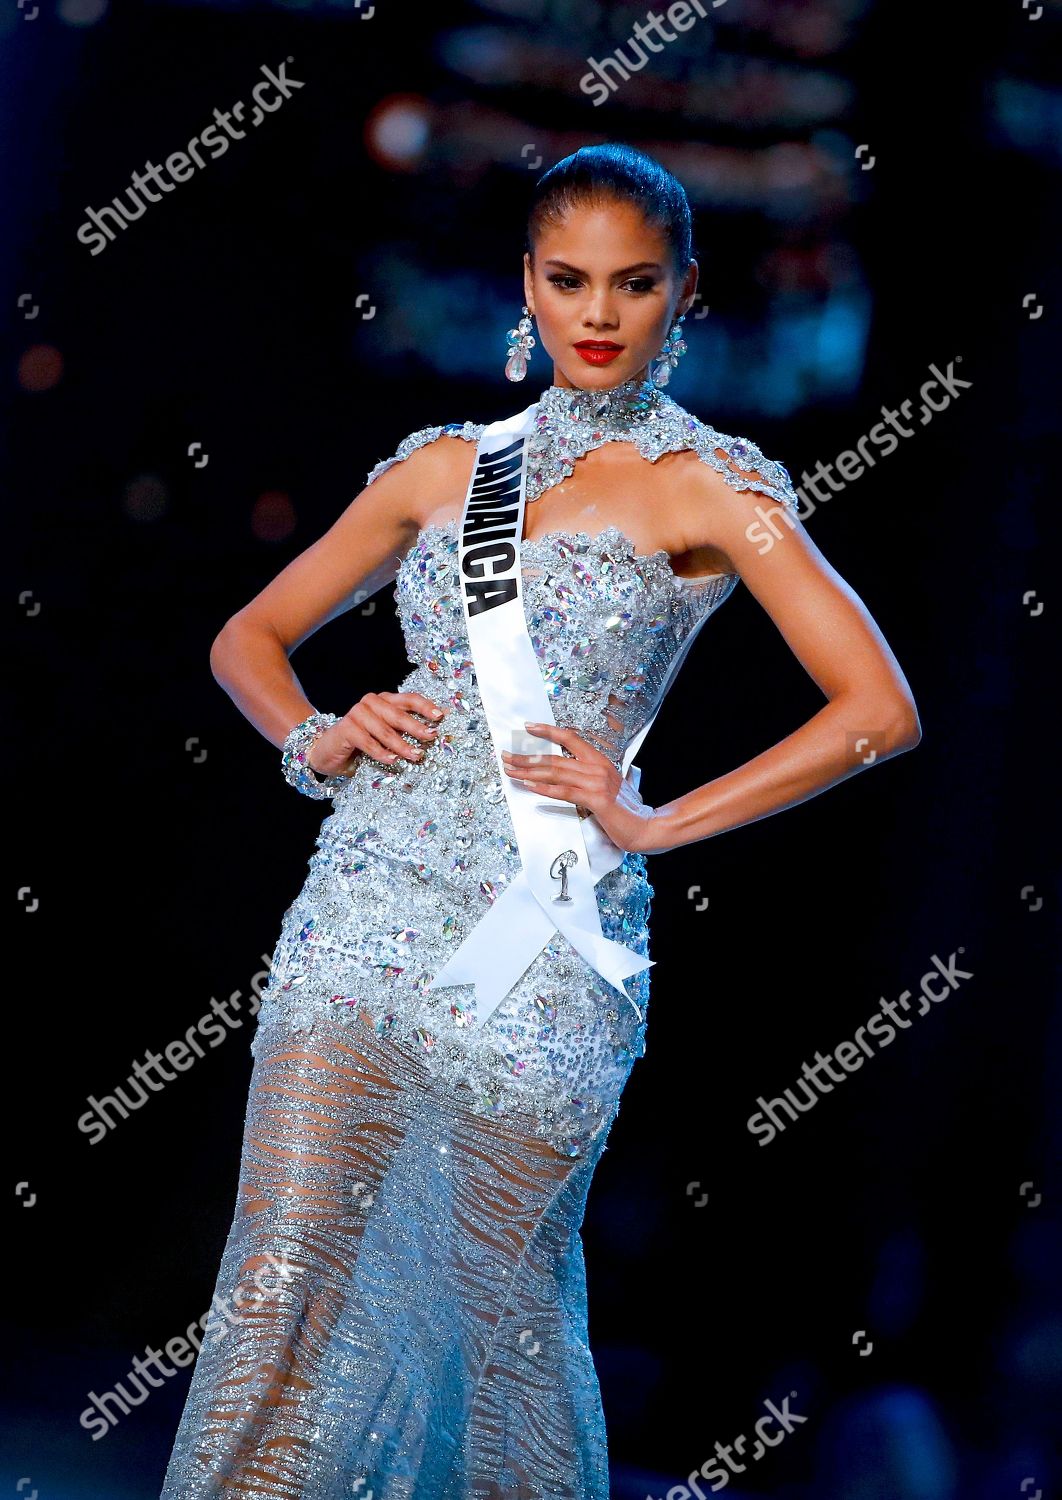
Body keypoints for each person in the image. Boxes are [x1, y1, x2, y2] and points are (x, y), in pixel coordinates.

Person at [159, 142, 921, 1499]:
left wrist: (655, 821)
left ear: (682, 293)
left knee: (495, 1338)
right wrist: (311, 736)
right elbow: (249, 636)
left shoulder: (710, 490)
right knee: (282, 1298)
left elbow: (876, 708)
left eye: (633, 283)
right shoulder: (442, 468)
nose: (597, 311)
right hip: (364, 914)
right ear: (525, 282)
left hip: (543, 951)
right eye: (567, 279)